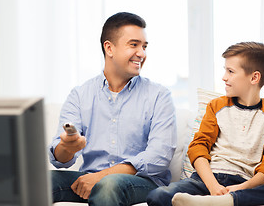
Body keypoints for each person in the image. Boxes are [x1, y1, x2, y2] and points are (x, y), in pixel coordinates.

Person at [147, 42, 264, 206]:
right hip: (206, 181)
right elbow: (198, 147)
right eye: (225, 70)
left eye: (230, 71)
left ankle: (228, 201)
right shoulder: (216, 106)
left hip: (245, 186)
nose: (224, 77)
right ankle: (218, 201)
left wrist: (241, 188)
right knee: (158, 196)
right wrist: (213, 187)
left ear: (254, 77)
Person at [49, 12, 177, 206]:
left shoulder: (159, 95)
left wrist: (102, 176)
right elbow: (60, 159)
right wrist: (67, 147)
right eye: (134, 45)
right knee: (42, 181)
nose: (142, 53)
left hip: (142, 183)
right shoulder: (80, 95)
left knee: (108, 184)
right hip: (89, 179)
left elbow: (158, 157)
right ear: (109, 48)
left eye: (144, 46)